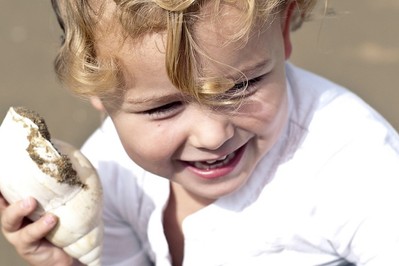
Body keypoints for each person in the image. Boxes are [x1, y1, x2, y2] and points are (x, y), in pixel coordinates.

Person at [1, 0, 399, 265]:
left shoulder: (355, 166)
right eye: (164, 107)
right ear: (98, 92)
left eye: (242, 85)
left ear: (282, 30)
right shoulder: (109, 168)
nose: (213, 135)